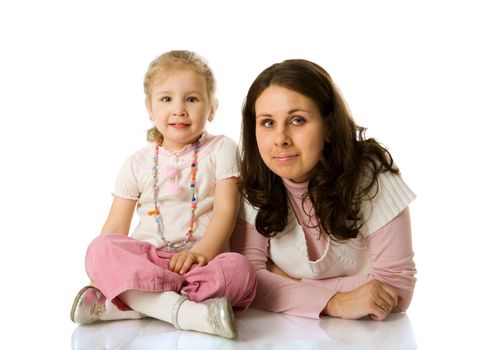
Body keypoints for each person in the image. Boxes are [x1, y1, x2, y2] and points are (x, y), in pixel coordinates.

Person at [70, 50, 257, 339]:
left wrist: (201, 253)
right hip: (148, 261)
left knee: (240, 270)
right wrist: (101, 272)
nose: (179, 109)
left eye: (192, 99)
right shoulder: (136, 163)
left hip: (199, 263)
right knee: (100, 248)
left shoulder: (222, 149)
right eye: (166, 99)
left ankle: (131, 305)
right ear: (149, 107)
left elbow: (225, 211)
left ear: (212, 108)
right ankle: (188, 312)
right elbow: (115, 229)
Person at [231, 59, 416, 321]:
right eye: (268, 123)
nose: (280, 138)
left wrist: (287, 281)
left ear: (328, 126)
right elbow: (246, 280)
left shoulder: (372, 175)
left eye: (297, 120)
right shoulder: (252, 183)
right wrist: (335, 302)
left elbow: (395, 290)